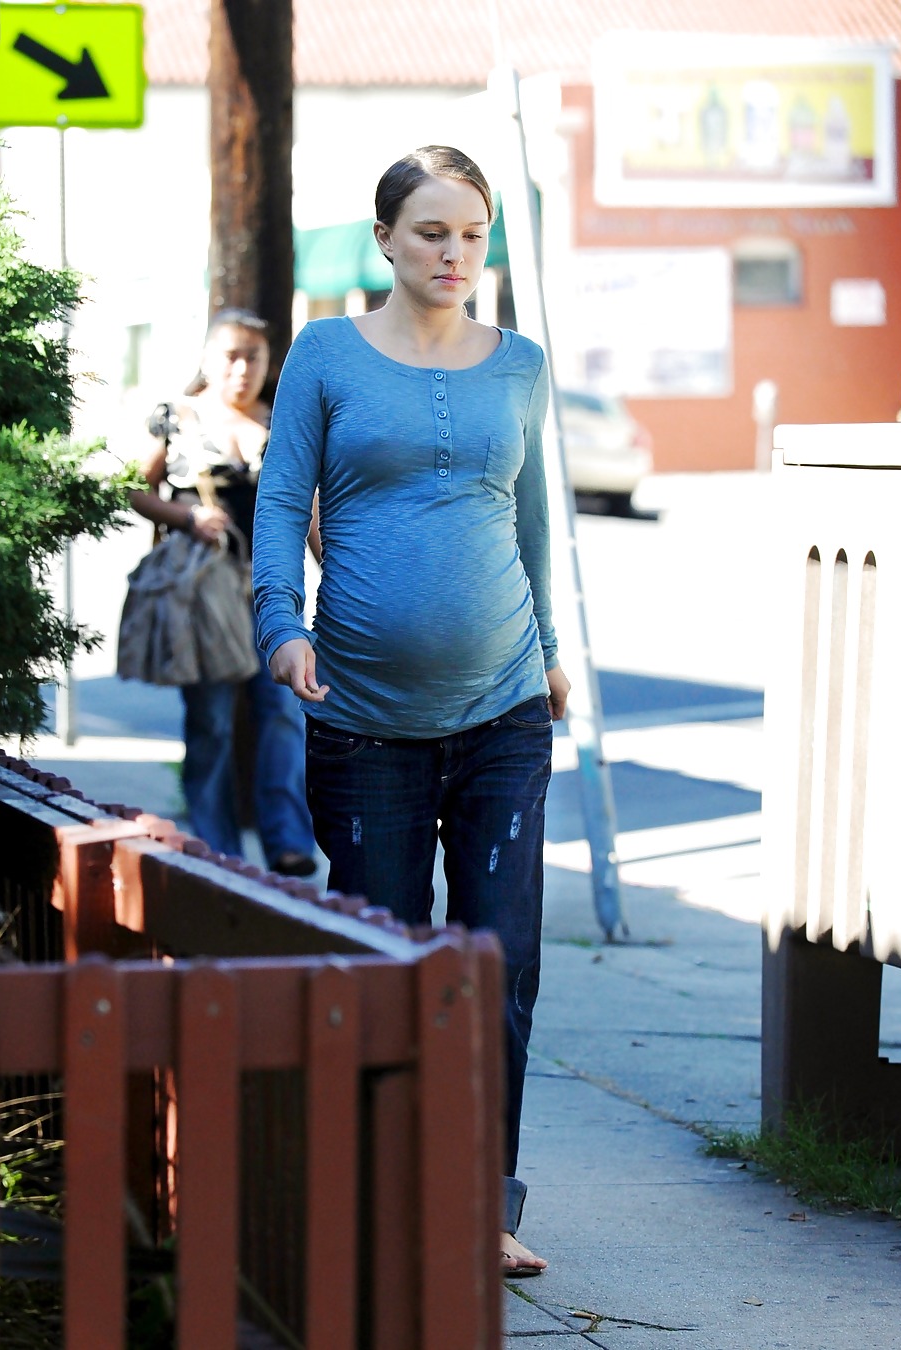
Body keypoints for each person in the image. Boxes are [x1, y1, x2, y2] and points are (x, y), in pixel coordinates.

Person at [253, 145, 569, 1276]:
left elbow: (533, 528)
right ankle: (385, 1195)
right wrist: (279, 627)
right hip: (362, 720)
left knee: (499, 961)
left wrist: (553, 657)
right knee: (383, 965)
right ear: (385, 238)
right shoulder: (327, 355)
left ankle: (483, 1205)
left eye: (472, 235)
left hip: (502, 712)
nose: (454, 254)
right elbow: (282, 498)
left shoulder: (519, 365)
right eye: (432, 232)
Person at [129, 309, 318, 877]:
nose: (242, 368)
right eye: (231, 356)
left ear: (267, 363)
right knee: (210, 719)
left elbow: (308, 507)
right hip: (205, 590)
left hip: (274, 590)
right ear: (209, 358)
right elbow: (136, 491)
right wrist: (188, 517)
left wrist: (332, 564)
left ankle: (288, 841)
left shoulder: (285, 417)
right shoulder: (178, 417)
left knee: (285, 710)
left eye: (253, 357)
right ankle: (218, 848)